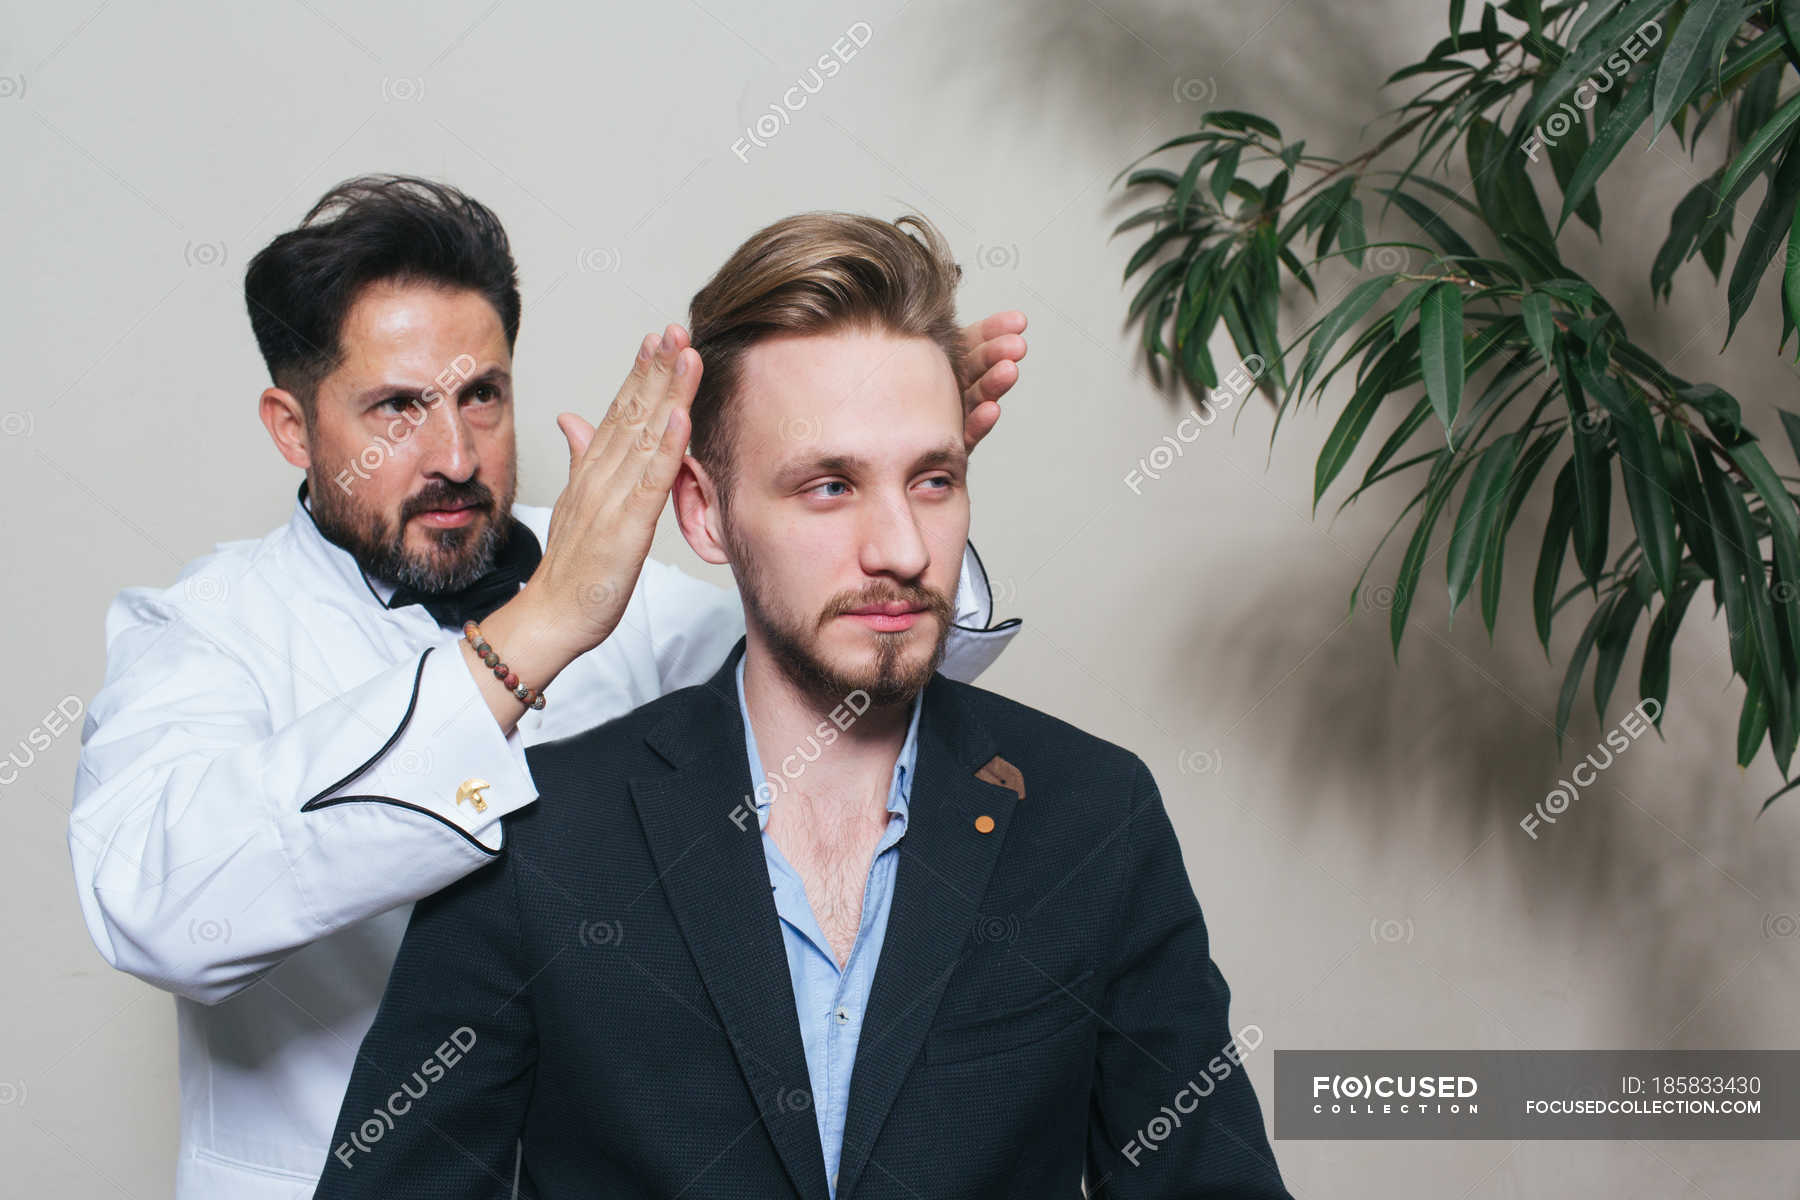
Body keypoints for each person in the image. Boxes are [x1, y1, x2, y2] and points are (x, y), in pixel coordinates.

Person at [68, 176, 1027, 1200]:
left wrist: (893, 467)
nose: (452, 453)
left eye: (481, 394)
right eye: (397, 408)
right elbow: (156, 908)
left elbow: (860, 703)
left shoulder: (630, 601)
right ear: (292, 428)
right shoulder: (204, 630)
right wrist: (538, 629)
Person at [314, 211, 1290, 1199]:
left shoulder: (1091, 818)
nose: (903, 548)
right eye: (830, 486)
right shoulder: (537, 841)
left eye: (933, 479)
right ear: (704, 511)